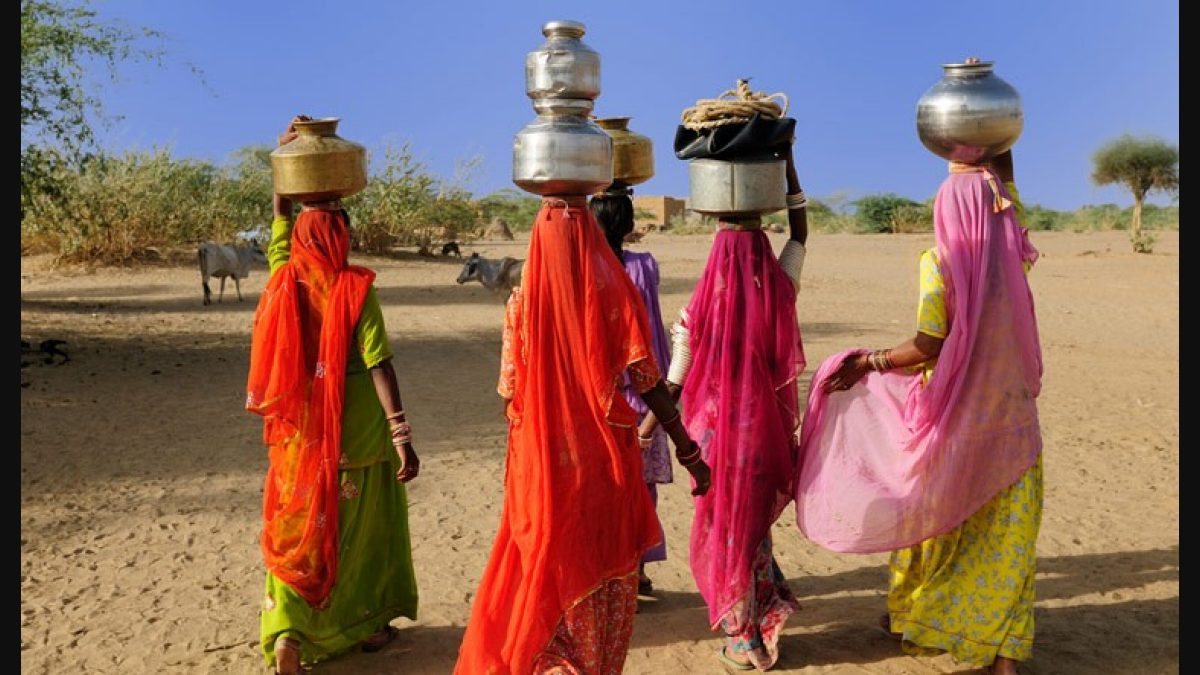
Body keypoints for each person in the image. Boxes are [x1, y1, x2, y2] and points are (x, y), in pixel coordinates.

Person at [796, 146, 1041, 675]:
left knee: (942, 519)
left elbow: (930, 343)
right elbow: (1005, 192)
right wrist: (993, 137)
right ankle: (1003, 658)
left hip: (955, 418)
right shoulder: (1012, 250)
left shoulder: (940, 263)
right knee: (1006, 543)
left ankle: (920, 616)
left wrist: (869, 361)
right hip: (1012, 418)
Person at [454, 196, 712, 675]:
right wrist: (687, 447)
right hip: (604, 462)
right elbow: (647, 379)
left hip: (543, 466)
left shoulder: (521, 304)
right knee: (596, 569)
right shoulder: (612, 291)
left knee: (545, 564)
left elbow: (508, 392)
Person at [246, 116, 420, 675]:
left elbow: (279, 225)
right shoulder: (355, 289)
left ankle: (288, 631)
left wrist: (286, 165)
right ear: (341, 237)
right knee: (360, 531)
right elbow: (379, 363)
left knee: (300, 524)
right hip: (361, 434)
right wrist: (401, 434)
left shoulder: (283, 277)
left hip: (300, 433)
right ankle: (367, 625)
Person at [639, 141, 810, 671]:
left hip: (711, 440)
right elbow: (800, 232)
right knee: (752, 527)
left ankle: (742, 638)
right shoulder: (781, 287)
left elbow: (672, 383)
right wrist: (785, 162)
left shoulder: (697, 312)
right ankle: (758, 622)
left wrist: (645, 429)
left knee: (723, 531)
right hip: (762, 436)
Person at [589, 188, 673, 596]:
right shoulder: (644, 266)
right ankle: (636, 570)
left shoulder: (584, 266)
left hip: (598, 397)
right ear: (627, 225)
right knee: (641, 488)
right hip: (644, 396)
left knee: (603, 487)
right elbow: (652, 330)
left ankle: (611, 572)